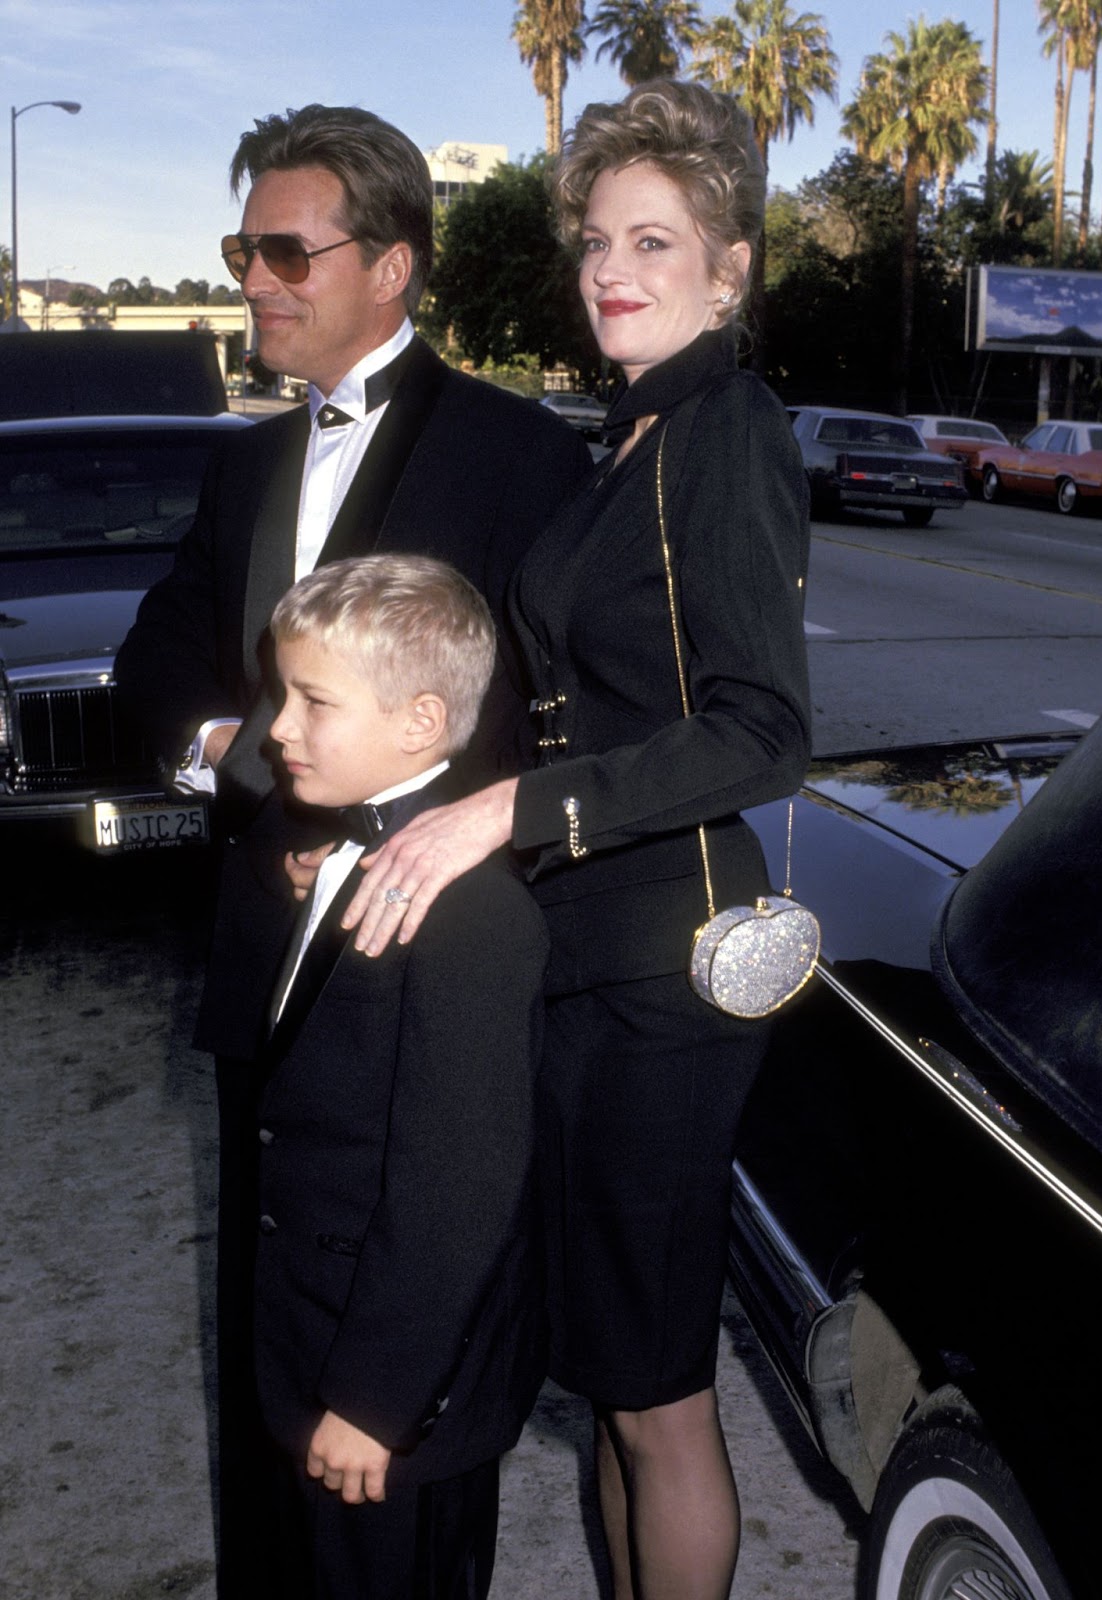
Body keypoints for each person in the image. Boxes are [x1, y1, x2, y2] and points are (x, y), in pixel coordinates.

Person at [335, 81, 812, 1600]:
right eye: (596, 239)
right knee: (610, 1374)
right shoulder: (633, 436)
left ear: (726, 265)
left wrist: (508, 810)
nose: (610, 267)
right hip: (583, 955)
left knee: (660, 1388)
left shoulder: (723, 430)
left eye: (652, 240)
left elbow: (758, 728)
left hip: (669, 967)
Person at [114, 103, 589, 1598]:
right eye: (238, 247)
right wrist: (254, 763)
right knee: (267, 1354)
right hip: (268, 961)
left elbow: (564, 719)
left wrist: (395, 839)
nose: (250, 278)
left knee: (398, 1346)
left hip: (427, 959)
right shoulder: (242, 469)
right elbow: (150, 678)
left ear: (387, 265)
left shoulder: (520, 457)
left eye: (279, 249)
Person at [256, 552, 548, 1599]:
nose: (277, 726)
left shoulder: (469, 915)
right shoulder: (355, 858)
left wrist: (378, 1397)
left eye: (310, 701)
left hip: (394, 1384)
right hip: (312, 1325)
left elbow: (459, 1181)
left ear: (420, 723)